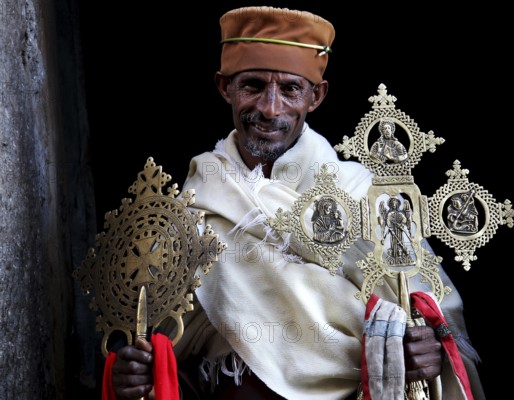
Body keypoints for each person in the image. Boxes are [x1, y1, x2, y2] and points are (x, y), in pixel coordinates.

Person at [110, 6, 485, 400]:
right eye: (253, 86)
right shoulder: (191, 210)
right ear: (225, 88)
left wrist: (430, 349)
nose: (270, 109)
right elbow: (160, 350)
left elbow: (438, 322)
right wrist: (134, 374)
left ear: (316, 96)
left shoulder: (364, 196)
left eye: (290, 89)